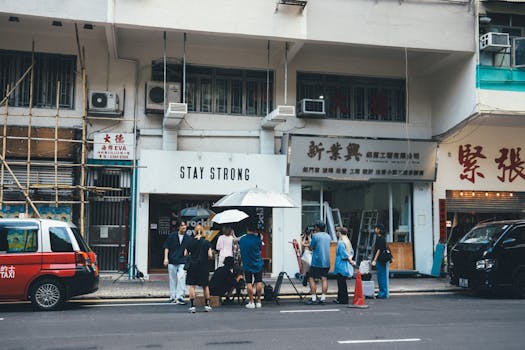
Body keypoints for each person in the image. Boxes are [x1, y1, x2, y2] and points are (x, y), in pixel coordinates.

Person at [185, 224, 214, 313]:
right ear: (202, 231)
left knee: (192, 286)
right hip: (203, 266)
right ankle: (207, 305)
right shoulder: (206, 242)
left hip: (193, 266)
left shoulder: (190, 242)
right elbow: (210, 255)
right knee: (205, 286)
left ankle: (193, 306)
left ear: (194, 232)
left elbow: (185, 254)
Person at [163, 221, 190, 305]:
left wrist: (187, 251)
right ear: (178, 227)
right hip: (172, 260)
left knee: (181, 278)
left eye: (185, 226)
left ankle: (180, 296)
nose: (184, 227)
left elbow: (190, 248)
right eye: (182, 226)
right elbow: (166, 247)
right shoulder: (172, 236)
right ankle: (172, 296)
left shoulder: (188, 237)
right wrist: (166, 258)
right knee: (172, 279)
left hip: (182, 260)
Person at [238, 224, 264, 309]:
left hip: (247, 263)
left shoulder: (242, 239)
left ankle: (251, 302)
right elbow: (260, 248)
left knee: (248, 282)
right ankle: (259, 301)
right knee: (259, 281)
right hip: (257, 263)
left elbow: (240, 248)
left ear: (247, 229)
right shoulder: (257, 239)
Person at [307, 221, 331, 305]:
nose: (314, 228)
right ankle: (323, 298)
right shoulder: (328, 236)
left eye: (315, 227)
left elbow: (311, 248)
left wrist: (309, 243)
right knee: (324, 279)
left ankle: (313, 298)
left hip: (317, 261)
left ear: (318, 228)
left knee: (311, 277)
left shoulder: (315, 236)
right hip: (326, 261)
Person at [333, 226, 356, 304]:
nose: (336, 233)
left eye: (337, 232)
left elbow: (343, 254)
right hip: (346, 265)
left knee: (341, 283)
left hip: (341, 265)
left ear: (339, 233)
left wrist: (350, 260)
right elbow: (351, 252)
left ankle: (343, 300)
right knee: (342, 282)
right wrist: (350, 259)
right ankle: (340, 299)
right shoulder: (347, 241)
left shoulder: (340, 243)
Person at [371, 223, 389, 299]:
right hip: (380, 260)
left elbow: (379, 250)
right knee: (380, 276)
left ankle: (383, 293)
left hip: (381, 260)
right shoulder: (380, 238)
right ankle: (382, 292)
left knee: (382, 277)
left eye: (376, 228)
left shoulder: (381, 239)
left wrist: (374, 260)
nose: (375, 229)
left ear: (379, 230)